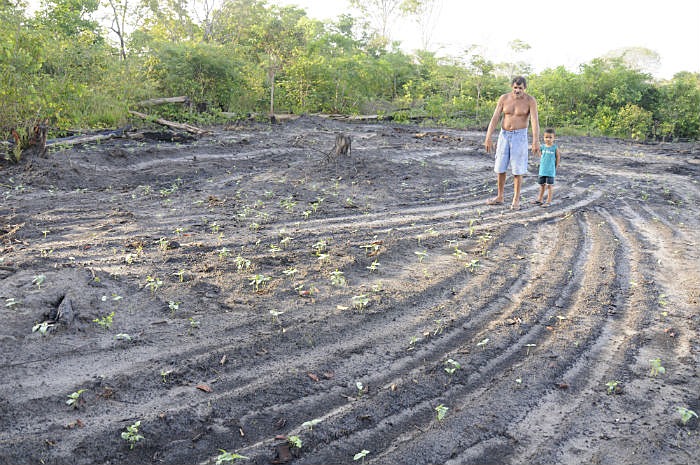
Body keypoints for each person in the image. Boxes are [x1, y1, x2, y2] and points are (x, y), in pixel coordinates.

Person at [484, 76, 540, 210]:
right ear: (512, 87)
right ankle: (500, 196)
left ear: (524, 88)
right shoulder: (504, 98)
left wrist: (535, 141)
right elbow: (495, 118)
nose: (517, 90)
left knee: (517, 169)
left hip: (519, 137)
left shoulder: (530, 101)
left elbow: (534, 121)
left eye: (520, 88)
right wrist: (488, 137)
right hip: (504, 135)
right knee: (500, 167)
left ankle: (516, 200)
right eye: (515, 87)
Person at [533, 128, 561, 207]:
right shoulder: (542, 147)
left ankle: (548, 201)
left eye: (550, 137)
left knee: (549, 186)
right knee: (542, 185)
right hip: (542, 170)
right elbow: (539, 155)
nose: (548, 139)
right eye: (546, 137)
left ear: (554, 138)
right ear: (543, 137)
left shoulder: (554, 148)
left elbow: (558, 157)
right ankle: (540, 199)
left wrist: (556, 166)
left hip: (550, 171)